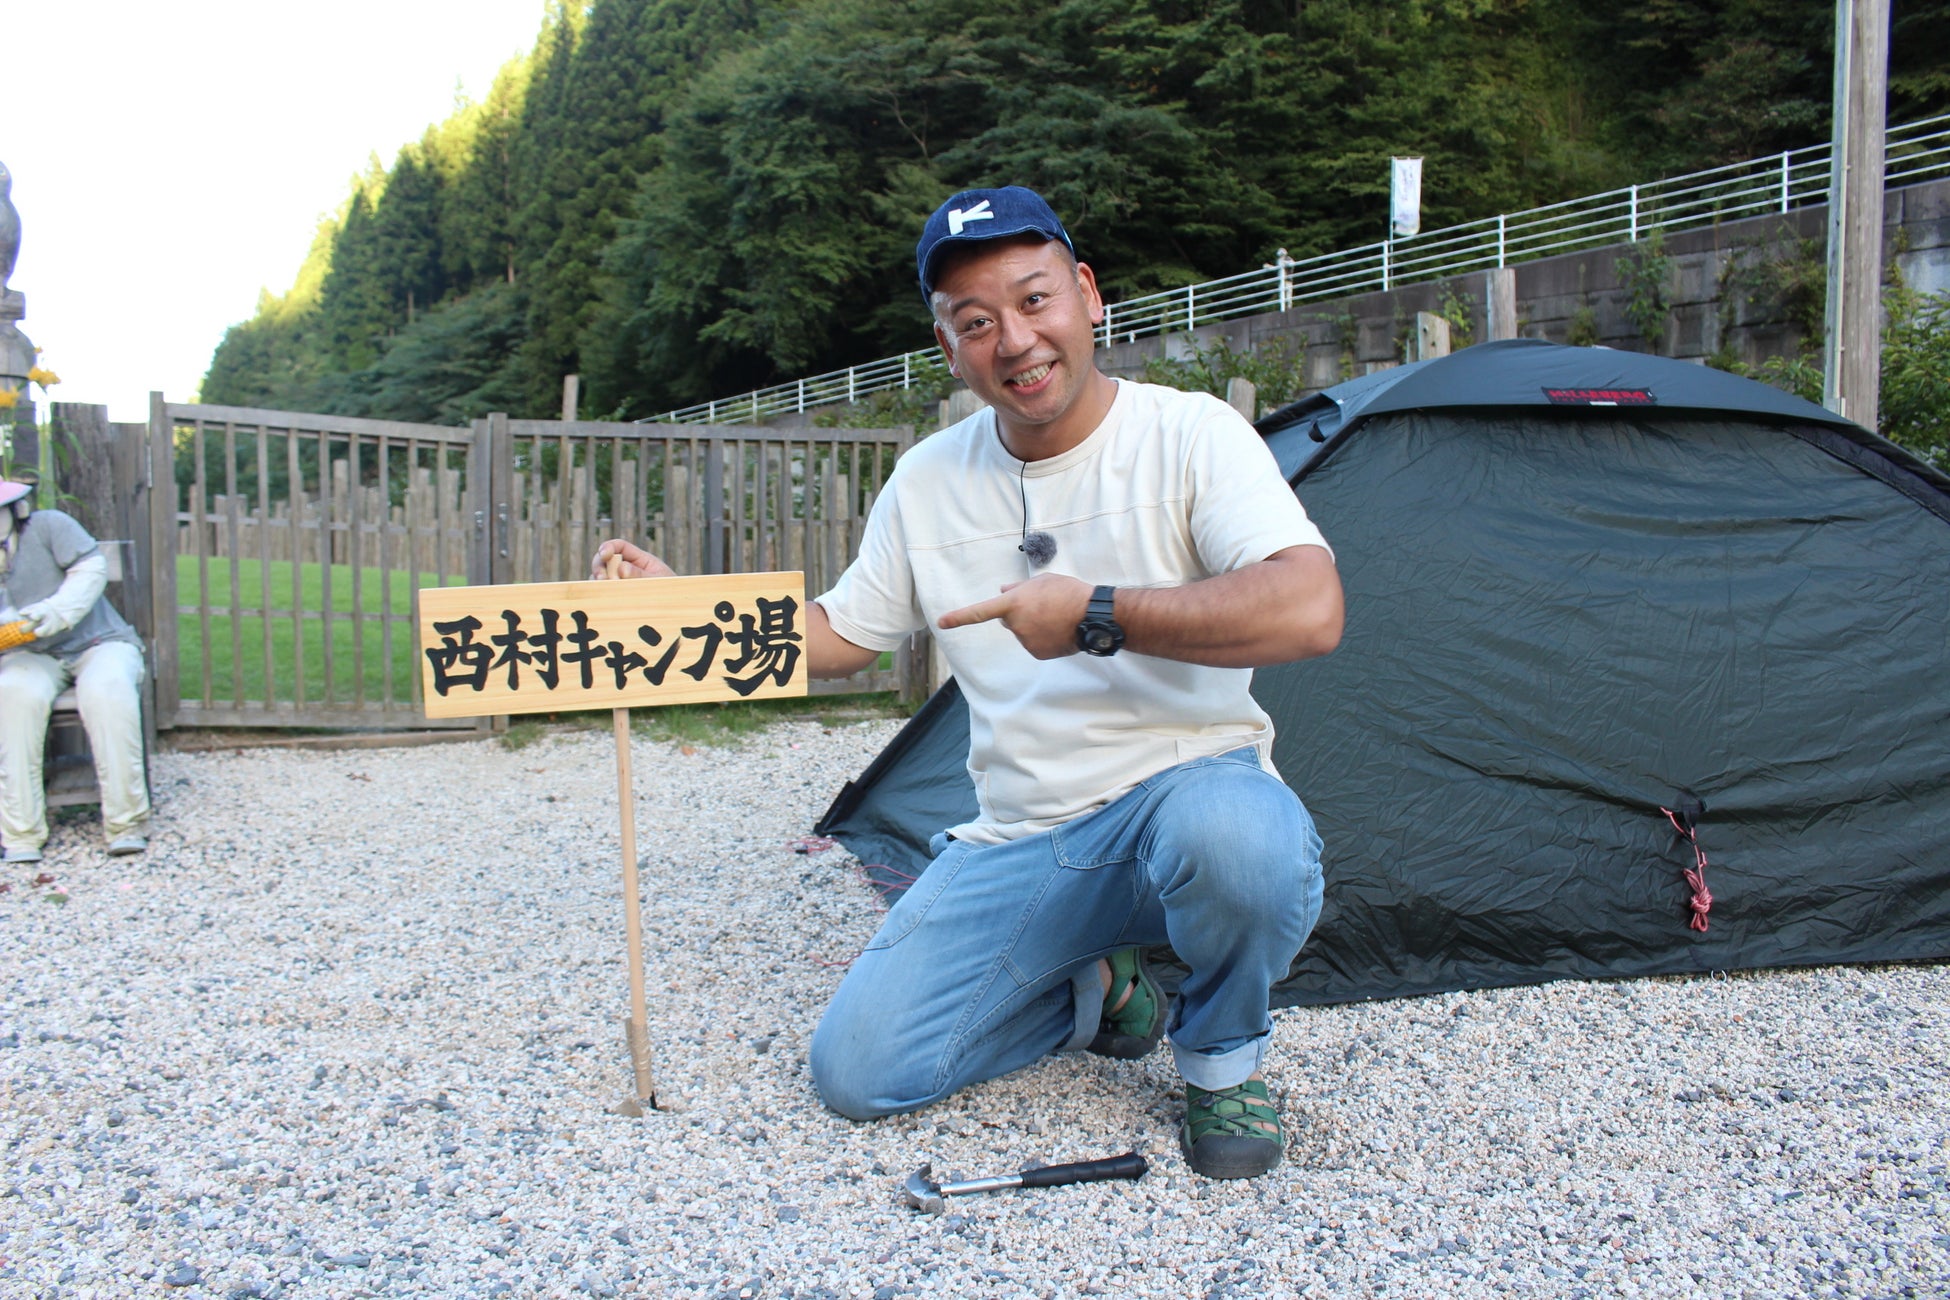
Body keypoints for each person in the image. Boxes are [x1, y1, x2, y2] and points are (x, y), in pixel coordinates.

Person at [593, 186, 1343, 1179]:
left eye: (1035, 301)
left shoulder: (1191, 433)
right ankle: (1095, 992)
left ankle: (1220, 1061)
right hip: (1028, 835)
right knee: (859, 1073)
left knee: (1247, 843)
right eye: (976, 322)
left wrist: (1095, 612)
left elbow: (1309, 607)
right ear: (948, 348)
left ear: (1087, 296)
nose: (1016, 341)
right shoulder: (928, 480)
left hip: (1193, 793)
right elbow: (839, 634)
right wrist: (687, 608)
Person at [0, 480, 151, 863]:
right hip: (29, 654)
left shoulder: (50, 525)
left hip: (99, 642)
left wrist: (55, 612)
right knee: (13, 696)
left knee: (107, 691)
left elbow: (91, 570)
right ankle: (21, 833)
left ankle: (125, 824)